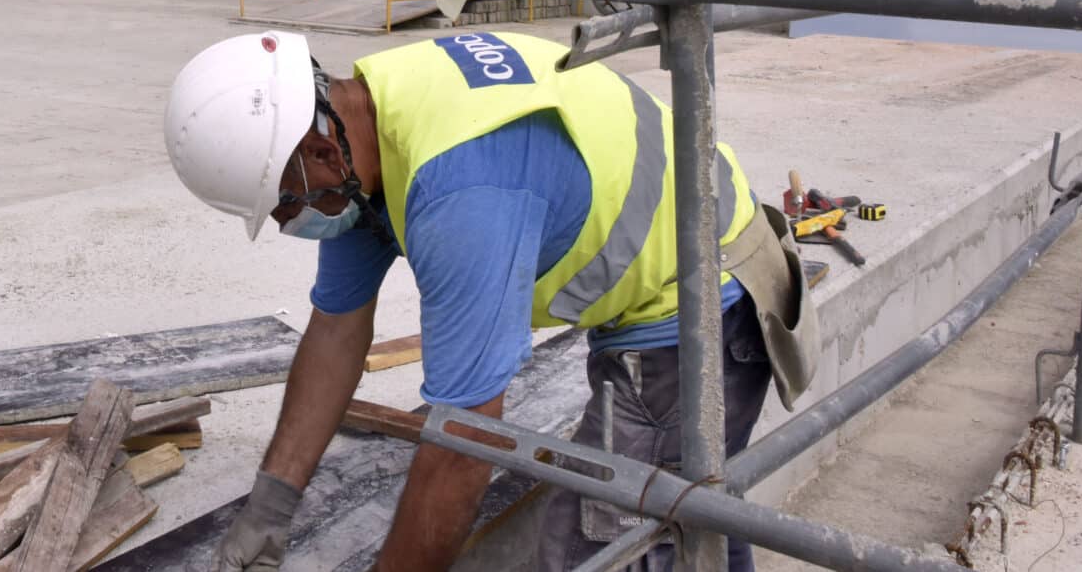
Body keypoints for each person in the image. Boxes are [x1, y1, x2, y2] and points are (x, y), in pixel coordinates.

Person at [166, 29, 814, 572]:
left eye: (283, 202)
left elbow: (465, 446)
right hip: (685, 267)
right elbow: (336, 330)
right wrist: (270, 506)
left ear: (318, 148)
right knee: (689, 527)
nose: (288, 224)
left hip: (699, 305)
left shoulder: (463, 190)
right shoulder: (372, 122)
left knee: (596, 547)